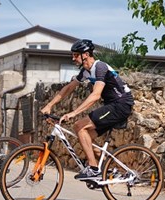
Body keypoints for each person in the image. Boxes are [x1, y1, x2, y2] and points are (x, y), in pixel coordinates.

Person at [40, 39, 134, 180]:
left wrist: (73, 113)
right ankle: (112, 169)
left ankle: (94, 168)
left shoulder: (100, 67)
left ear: (86, 54)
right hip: (112, 105)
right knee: (86, 137)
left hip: (121, 104)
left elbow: (96, 95)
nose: (73, 58)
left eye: (76, 55)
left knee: (79, 126)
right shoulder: (86, 71)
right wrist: (49, 105)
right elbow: (68, 88)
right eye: (73, 55)